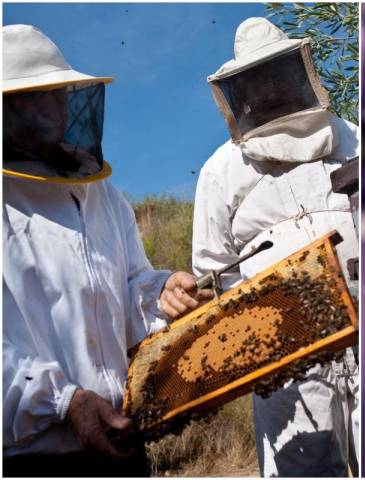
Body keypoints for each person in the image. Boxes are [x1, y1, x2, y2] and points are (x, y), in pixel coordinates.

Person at [2, 24, 212, 476]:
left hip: (120, 437)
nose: (55, 107)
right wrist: (63, 401)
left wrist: (163, 291)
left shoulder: (103, 194)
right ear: (7, 107)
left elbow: (130, 283)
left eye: (59, 92)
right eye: (35, 96)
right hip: (30, 458)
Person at [192, 17, 359, 477]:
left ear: (295, 70)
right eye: (255, 78)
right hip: (285, 360)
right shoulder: (220, 171)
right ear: (239, 90)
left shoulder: (351, 136)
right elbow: (214, 274)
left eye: (274, 73)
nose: (267, 88)